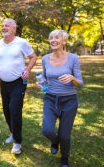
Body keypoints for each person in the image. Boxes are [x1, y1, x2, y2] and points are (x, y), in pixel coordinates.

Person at [0, 18, 37, 154]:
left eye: (7, 25)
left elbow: (33, 57)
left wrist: (28, 70)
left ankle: (18, 142)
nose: (4, 27)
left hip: (19, 82)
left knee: (14, 110)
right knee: (7, 111)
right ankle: (13, 133)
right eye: (2, 25)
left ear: (14, 28)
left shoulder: (22, 43)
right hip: (4, 83)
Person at [39, 30, 83, 167]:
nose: (53, 40)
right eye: (50, 37)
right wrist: (42, 84)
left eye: (56, 37)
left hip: (69, 101)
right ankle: (54, 141)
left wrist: (72, 78)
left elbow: (80, 83)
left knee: (65, 136)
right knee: (47, 130)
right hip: (50, 99)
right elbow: (44, 79)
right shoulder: (45, 58)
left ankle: (64, 160)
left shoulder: (73, 58)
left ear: (64, 41)